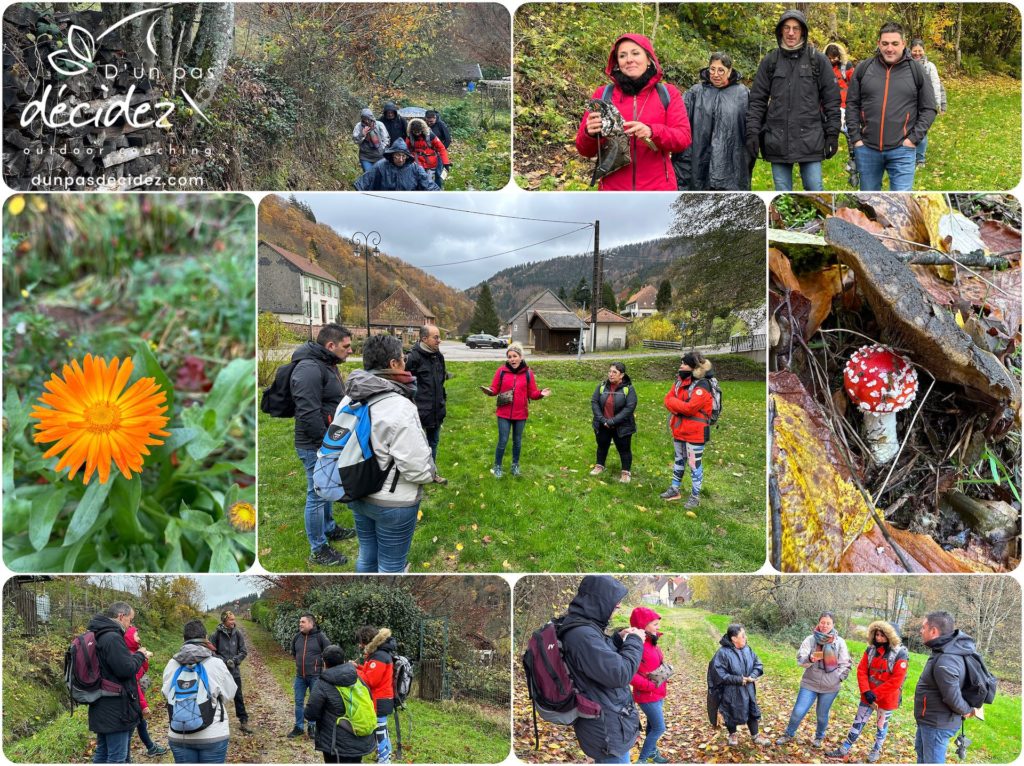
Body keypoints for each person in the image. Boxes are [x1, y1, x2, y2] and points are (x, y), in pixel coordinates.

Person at [344, 333, 435, 573]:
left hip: (357, 490)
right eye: (403, 359)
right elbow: (415, 466)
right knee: (391, 566)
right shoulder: (399, 404)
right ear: (394, 364)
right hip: (393, 501)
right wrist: (431, 473)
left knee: (366, 556)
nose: (406, 362)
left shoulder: (349, 397)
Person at [575, 34, 692, 190]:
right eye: (622, 56)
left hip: (658, 190)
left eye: (635, 53)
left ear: (649, 59)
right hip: (614, 191)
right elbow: (584, 150)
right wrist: (589, 134)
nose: (629, 59)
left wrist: (652, 131)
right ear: (617, 63)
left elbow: (683, 138)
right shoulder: (603, 95)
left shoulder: (667, 93)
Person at [746, 9, 842, 191]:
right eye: (787, 28)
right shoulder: (770, 61)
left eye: (796, 29)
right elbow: (757, 100)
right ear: (781, 31)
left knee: (815, 188)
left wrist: (832, 133)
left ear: (803, 31)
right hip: (777, 139)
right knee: (782, 191)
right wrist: (752, 132)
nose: (791, 33)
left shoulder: (818, 60)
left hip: (810, 138)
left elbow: (832, 101)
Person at [558, 575, 645, 764]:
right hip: (607, 728)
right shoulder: (582, 635)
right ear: (600, 601)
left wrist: (616, 639)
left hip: (608, 721)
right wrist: (635, 641)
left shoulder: (584, 627)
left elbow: (596, 661)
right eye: (615, 602)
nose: (619, 606)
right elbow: (620, 674)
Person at [290, 324, 356, 567]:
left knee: (327, 487)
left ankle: (329, 528)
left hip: (328, 442)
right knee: (317, 494)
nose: (350, 350)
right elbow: (307, 415)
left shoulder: (326, 364)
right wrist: (324, 446)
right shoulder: (309, 369)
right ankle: (318, 549)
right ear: (331, 346)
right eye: (346, 346)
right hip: (314, 444)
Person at [846, 22, 937, 191]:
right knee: (870, 201)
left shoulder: (916, 70)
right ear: (878, 44)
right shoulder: (864, 69)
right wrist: (856, 139)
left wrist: (912, 140)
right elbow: (852, 104)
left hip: (902, 150)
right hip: (867, 149)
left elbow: (929, 108)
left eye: (895, 44)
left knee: (902, 201)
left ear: (903, 44)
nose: (890, 48)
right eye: (885, 43)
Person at [827, 620, 909, 763]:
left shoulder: (900, 654)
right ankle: (844, 748)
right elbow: (862, 670)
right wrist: (866, 691)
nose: (878, 638)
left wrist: (875, 694)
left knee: (881, 726)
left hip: (886, 699)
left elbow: (896, 680)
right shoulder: (870, 650)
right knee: (858, 722)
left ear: (890, 636)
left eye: (882, 635)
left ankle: (876, 750)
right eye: (876, 634)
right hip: (868, 695)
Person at [162, 619, 237, 764]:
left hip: (179, 734)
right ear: (206, 638)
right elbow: (230, 693)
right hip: (213, 735)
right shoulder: (216, 663)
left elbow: (166, 693)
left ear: (184, 639)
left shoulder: (172, 664)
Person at [775, 612, 852, 749]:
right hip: (810, 683)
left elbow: (845, 663)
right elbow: (800, 660)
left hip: (830, 686)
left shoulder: (839, 642)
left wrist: (837, 678)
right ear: (818, 623)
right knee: (798, 711)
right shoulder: (810, 640)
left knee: (822, 715)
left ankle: (819, 737)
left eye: (828, 623)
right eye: (822, 622)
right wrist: (810, 659)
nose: (825, 626)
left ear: (833, 625)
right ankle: (788, 734)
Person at [87, 602, 150, 764]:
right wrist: (140, 655)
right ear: (121, 616)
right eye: (130, 619)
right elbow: (125, 670)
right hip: (116, 710)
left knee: (103, 752)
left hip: (102, 703)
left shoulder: (98, 634)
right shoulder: (112, 637)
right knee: (117, 758)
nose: (130, 624)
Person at [678, 52, 751, 190]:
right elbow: (680, 119)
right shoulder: (695, 92)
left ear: (729, 72)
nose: (716, 74)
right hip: (699, 153)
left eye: (721, 70)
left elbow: (752, 123)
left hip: (730, 158)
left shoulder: (742, 94)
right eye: (712, 69)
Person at [913, 611, 978, 764]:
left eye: (924, 627)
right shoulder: (943, 651)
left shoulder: (946, 659)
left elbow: (952, 696)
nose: (921, 631)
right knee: (923, 759)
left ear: (933, 631)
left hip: (937, 725)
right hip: (930, 721)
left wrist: (967, 710)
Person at [482, 342, 551, 478]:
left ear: (521, 357)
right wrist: (489, 391)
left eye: (515, 356)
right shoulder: (501, 371)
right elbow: (495, 388)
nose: (512, 359)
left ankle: (515, 466)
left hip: (521, 414)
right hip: (503, 413)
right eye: (509, 357)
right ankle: (497, 466)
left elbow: (532, 393)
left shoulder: (528, 373)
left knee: (517, 441)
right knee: (502, 440)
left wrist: (541, 394)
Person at [303, 645, 377, 764]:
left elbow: (311, 714)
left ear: (325, 663)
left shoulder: (322, 684)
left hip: (337, 744)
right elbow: (370, 697)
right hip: (360, 737)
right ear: (343, 660)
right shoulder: (357, 677)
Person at [660, 352, 715, 508]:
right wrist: (677, 405)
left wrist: (674, 403)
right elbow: (667, 399)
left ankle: (695, 496)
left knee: (694, 464)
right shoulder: (679, 381)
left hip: (695, 433)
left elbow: (690, 408)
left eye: (684, 363)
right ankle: (674, 488)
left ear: (693, 367)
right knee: (678, 460)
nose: (681, 366)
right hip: (679, 429)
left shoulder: (702, 385)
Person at [709, 624, 771, 747]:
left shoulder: (748, 649)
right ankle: (732, 735)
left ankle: (756, 736)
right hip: (731, 691)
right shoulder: (722, 653)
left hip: (748, 689)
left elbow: (758, 664)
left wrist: (753, 675)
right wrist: (738, 679)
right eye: (742, 636)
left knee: (751, 710)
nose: (745, 637)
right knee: (731, 711)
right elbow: (718, 673)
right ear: (734, 639)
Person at [404, 324, 449, 485]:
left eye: (439, 337)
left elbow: (441, 380)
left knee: (433, 443)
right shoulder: (412, 358)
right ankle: (414, 476)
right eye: (435, 337)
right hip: (418, 412)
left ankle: (432, 474)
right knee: (415, 445)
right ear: (424, 339)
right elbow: (403, 383)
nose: (439, 340)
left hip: (436, 410)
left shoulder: (438, 356)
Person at [629, 607, 668, 763]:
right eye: (655, 624)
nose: (658, 627)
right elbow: (629, 673)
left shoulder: (652, 641)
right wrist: (648, 685)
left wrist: (664, 671)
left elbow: (651, 664)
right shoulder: (636, 645)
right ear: (643, 625)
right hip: (647, 695)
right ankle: (642, 760)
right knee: (659, 728)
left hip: (658, 692)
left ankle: (652, 753)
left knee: (652, 726)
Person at [355, 625, 399, 763]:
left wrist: (353, 671)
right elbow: (371, 673)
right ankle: (385, 756)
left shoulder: (379, 656)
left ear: (365, 641)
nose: (360, 646)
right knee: (382, 729)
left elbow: (370, 681)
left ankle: (385, 760)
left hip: (379, 700)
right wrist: (359, 667)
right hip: (382, 698)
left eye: (360, 642)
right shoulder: (379, 653)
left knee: (380, 731)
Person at [125, 626, 169, 758]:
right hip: (132, 699)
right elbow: (134, 683)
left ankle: (150, 747)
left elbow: (142, 672)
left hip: (134, 699)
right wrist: (143, 705)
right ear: (129, 638)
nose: (139, 638)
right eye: (136, 636)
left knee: (140, 723)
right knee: (129, 730)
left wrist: (143, 658)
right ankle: (126, 758)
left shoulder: (133, 653)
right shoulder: (128, 657)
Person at [590, 362, 637, 483]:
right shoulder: (601, 386)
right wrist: (602, 420)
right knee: (602, 445)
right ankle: (599, 465)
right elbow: (594, 402)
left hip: (622, 426)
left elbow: (629, 408)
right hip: (602, 424)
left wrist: (612, 421)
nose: (611, 375)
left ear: (621, 375)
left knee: (624, 449)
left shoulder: (629, 389)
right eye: (609, 371)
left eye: (614, 372)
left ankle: (625, 472)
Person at [209, 611, 252, 735]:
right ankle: (215, 722)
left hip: (234, 672)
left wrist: (234, 660)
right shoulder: (216, 634)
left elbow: (243, 651)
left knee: (238, 696)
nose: (233, 622)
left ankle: (243, 721)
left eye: (234, 619)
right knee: (217, 696)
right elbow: (211, 652)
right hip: (220, 672)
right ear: (224, 621)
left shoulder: (238, 634)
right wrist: (223, 661)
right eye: (230, 620)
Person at [289, 613, 332, 739]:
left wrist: (323, 671)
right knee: (298, 702)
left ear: (311, 624)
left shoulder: (320, 637)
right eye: (300, 622)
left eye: (303, 622)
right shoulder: (297, 637)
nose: (300, 624)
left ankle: (312, 727)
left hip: (315, 677)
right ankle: (299, 727)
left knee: (314, 703)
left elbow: (329, 653)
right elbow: (294, 653)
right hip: (300, 677)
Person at [825, 42, 859, 186]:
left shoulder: (847, 67)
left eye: (835, 58)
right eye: (830, 58)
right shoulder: (823, 68)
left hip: (845, 106)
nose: (833, 60)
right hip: (829, 106)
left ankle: (854, 164)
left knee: (850, 135)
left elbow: (856, 84)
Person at [910, 39, 946, 168]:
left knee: (921, 131)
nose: (917, 53)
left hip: (925, 103)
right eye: (915, 51)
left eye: (920, 50)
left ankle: (920, 159)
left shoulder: (930, 66)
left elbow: (938, 85)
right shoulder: (906, 64)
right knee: (909, 130)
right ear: (910, 50)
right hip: (909, 103)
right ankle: (910, 157)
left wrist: (941, 103)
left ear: (924, 51)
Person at [353, 139, 440, 192]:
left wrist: (440, 197)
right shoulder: (380, 166)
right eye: (397, 155)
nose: (401, 159)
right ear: (392, 155)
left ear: (407, 156)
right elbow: (362, 184)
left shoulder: (415, 168)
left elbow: (429, 185)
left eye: (403, 156)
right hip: (385, 205)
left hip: (409, 205)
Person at [406, 118, 451, 188]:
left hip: (430, 162)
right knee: (417, 181)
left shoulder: (430, 136)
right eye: (415, 132)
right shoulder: (410, 137)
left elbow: (441, 148)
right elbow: (406, 149)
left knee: (428, 182)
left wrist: (446, 163)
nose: (417, 134)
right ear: (411, 131)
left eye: (418, 132)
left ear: (422, 129)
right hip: (417, 162)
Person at [353, 108, 390, 173]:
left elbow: (386, 138)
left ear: (372, 117)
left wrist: (382, 148)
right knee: (369, 176)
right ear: (362, 118)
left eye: (368, 118)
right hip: (365, 157)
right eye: (364, 119)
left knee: (380, 176)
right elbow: (355, 140)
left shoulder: (379, 125)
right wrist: (362, 134)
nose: (367, 121)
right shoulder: (359, 126)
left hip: (380, 157)